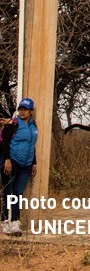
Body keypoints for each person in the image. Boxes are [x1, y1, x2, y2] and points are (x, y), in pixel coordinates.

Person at [1, 98, 38, 236]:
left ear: (30, 111)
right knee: (8, 192)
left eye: (25, 109)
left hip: (26, 164)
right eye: (20, 109)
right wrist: (7, 160)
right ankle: (5, 222)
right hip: (13, 161)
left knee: (18, 193)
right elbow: (5, 143)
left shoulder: (34, 126)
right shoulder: (13, 124)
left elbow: (32, 146)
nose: (22, 112)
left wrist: (34, 163)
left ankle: (15, 222)